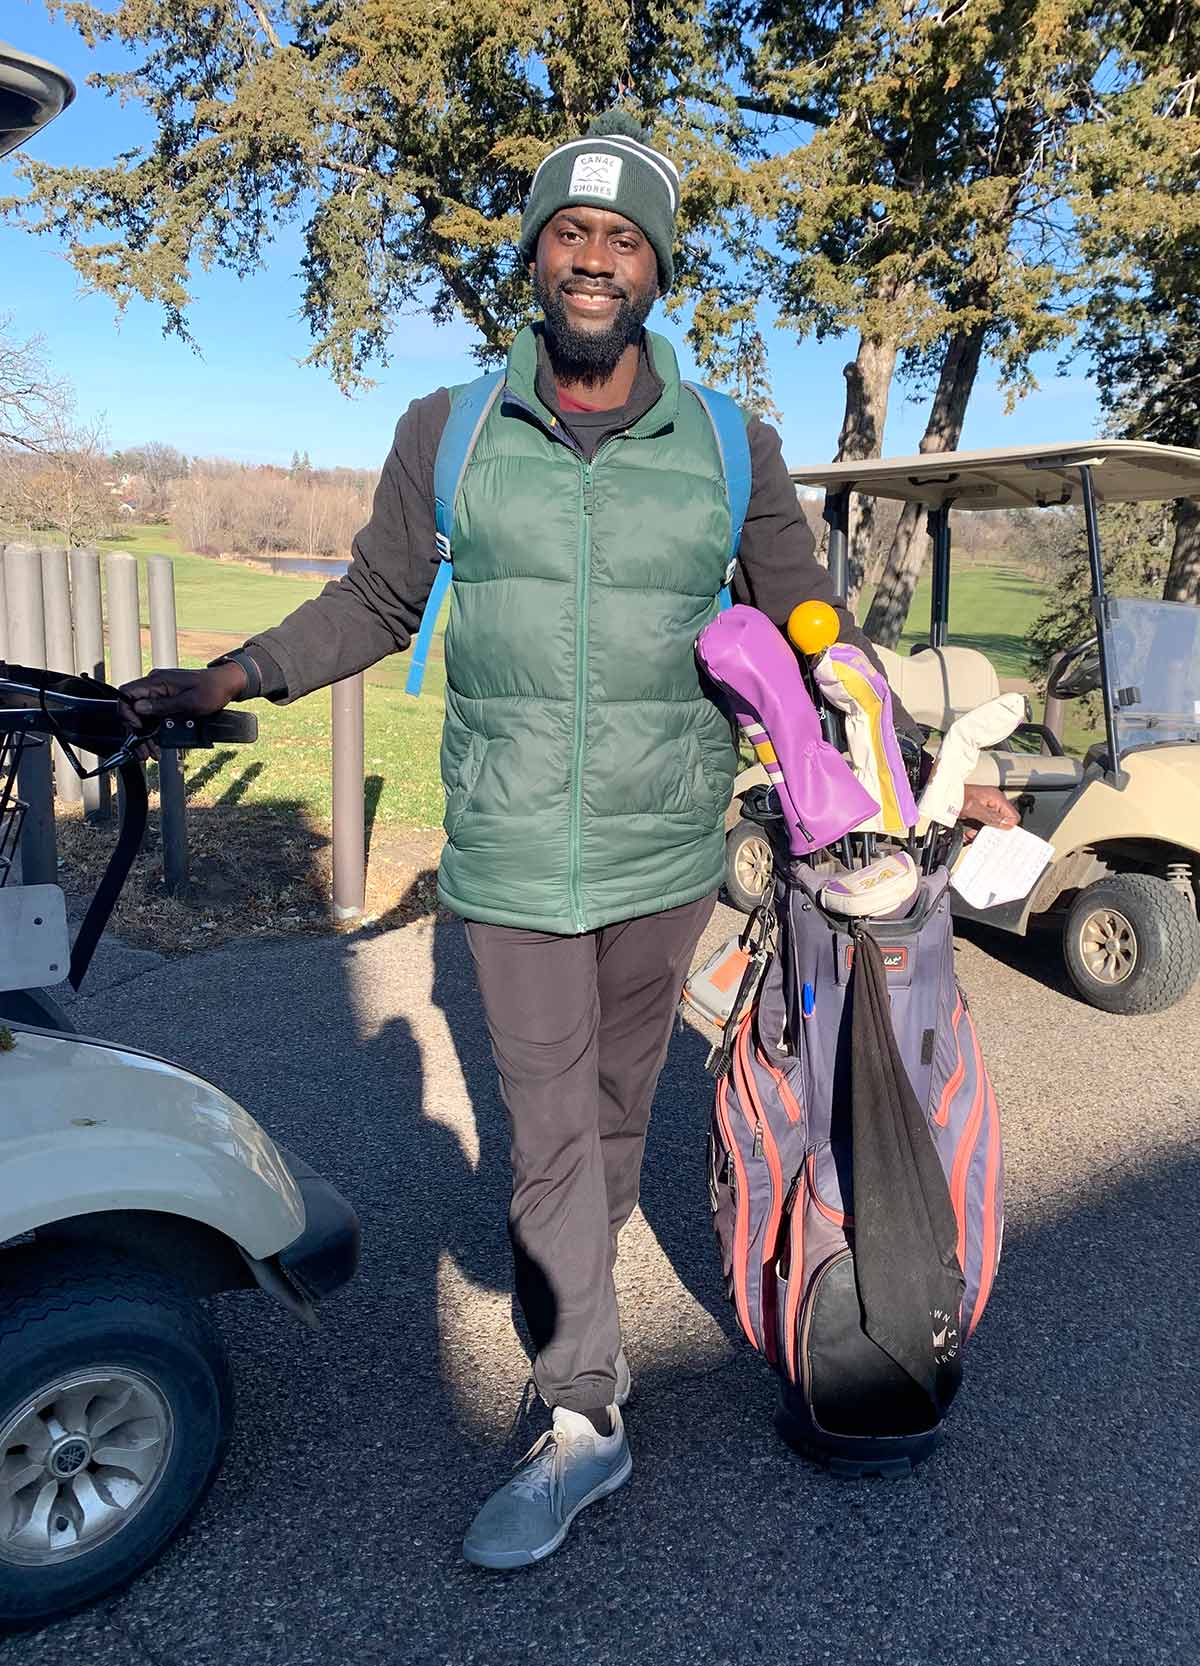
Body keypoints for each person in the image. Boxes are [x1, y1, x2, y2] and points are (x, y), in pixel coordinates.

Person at [121, 112, 1016, 1571]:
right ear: (534, 257)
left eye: (622, 239)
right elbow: (373, 597)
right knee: (547, 1132)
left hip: (666, 861)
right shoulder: (454, 431)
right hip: (519, 862)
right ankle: (584, 1413)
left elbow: (813, 632)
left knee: (612, 1117)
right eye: (567, 234)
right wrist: (232, 675)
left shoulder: (732, 442)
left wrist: (920, 765)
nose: (592, 259)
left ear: (654, 269)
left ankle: (576, 1305)